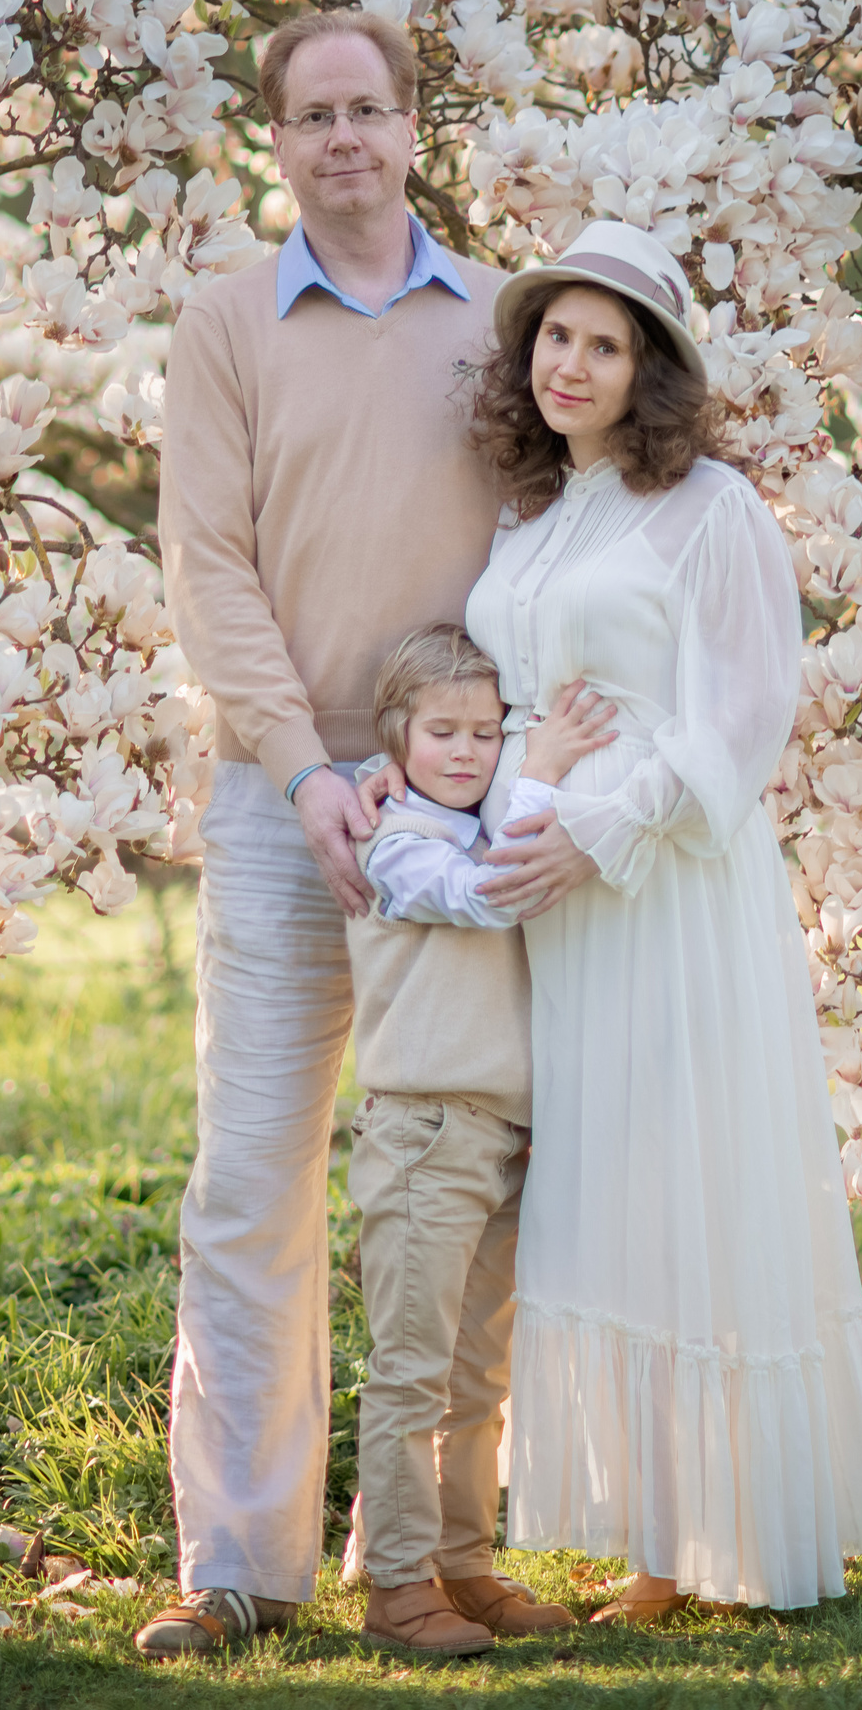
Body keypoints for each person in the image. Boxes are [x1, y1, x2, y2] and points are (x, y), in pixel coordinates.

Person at [460, 220, 862, 1613]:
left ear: (650, 369)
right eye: (556, 333)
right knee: (605, 1192)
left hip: (666, 882)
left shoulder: (713, 509)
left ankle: (721, 1543)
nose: (572, 362)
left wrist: (602, 831)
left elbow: (746, 715)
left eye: (605, 343)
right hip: (556, 892)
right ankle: (657, 1537)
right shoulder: (528, 513)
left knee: (688, 1180)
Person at [143, 9, 508, 1658]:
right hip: (285, 796)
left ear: (414, 127)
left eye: (369, 109)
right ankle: (238, 1563)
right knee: (254, 1175)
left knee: (455, 1171)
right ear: (277, 143)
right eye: (313, 116)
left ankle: (431, 1545)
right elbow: (207, 563)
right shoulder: (227, 323)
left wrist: (474, 766)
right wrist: (302, 767)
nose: (344, 138)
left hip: (458, 804)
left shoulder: (502, 321)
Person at [342, 626, 608, 1657]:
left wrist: (518, 778)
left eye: (489, 733)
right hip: (422, 1132)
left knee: (474, 1376)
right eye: (442, 730)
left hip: (500, 1133)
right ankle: (399, 1585)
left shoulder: (462, 810)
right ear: (397, 735)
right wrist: (538, 774)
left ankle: (463, 1563)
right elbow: (485, 889)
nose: (467, 750)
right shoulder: (398, 838)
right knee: (410, 1368)